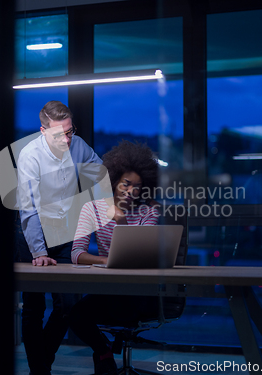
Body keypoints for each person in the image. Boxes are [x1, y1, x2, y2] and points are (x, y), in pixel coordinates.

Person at [15, 101, 104, 375]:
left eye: (69, 131)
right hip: (33, 232)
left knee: (69, 304)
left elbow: (99, 172)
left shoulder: (77, 144)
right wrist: (39, 252)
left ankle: (41, 364)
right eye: (59, 134)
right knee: (34, 307)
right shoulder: (30, 156)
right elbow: (28, 208)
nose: (66, 139)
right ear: (43, 131)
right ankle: (39, 371)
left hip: (64, 232)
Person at [69, 141, 160, 375]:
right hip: (108, 289)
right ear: (114, 181)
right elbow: (76, 253)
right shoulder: (92, 208)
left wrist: (121, 221)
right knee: (73, 315)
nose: (131, 191)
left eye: (137, 187)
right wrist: (106, 262)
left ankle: (105, 357)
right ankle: (104, 350)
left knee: (120, 309)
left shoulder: (149, 211)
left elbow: (142, 254)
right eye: (126, 184)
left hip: (139, 293)